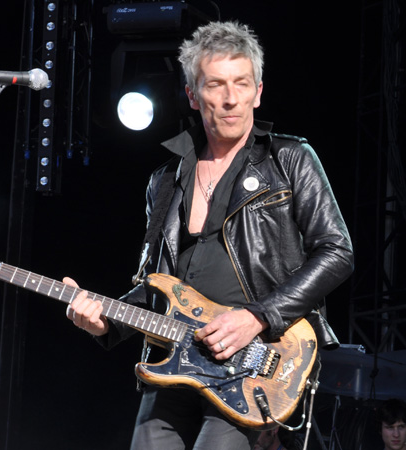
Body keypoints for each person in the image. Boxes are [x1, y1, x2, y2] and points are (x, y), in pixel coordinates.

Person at [64, 20, 354, 450]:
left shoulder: (290, 159)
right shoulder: (164, 180)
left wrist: (257, 316)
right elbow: (156, 285)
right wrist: (104, 320)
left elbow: (337, 251)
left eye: (242, 83)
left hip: (259, 356)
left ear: (258, 90)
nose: (231, 98)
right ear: (193, 95)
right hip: (179, 356)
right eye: (216, 85)